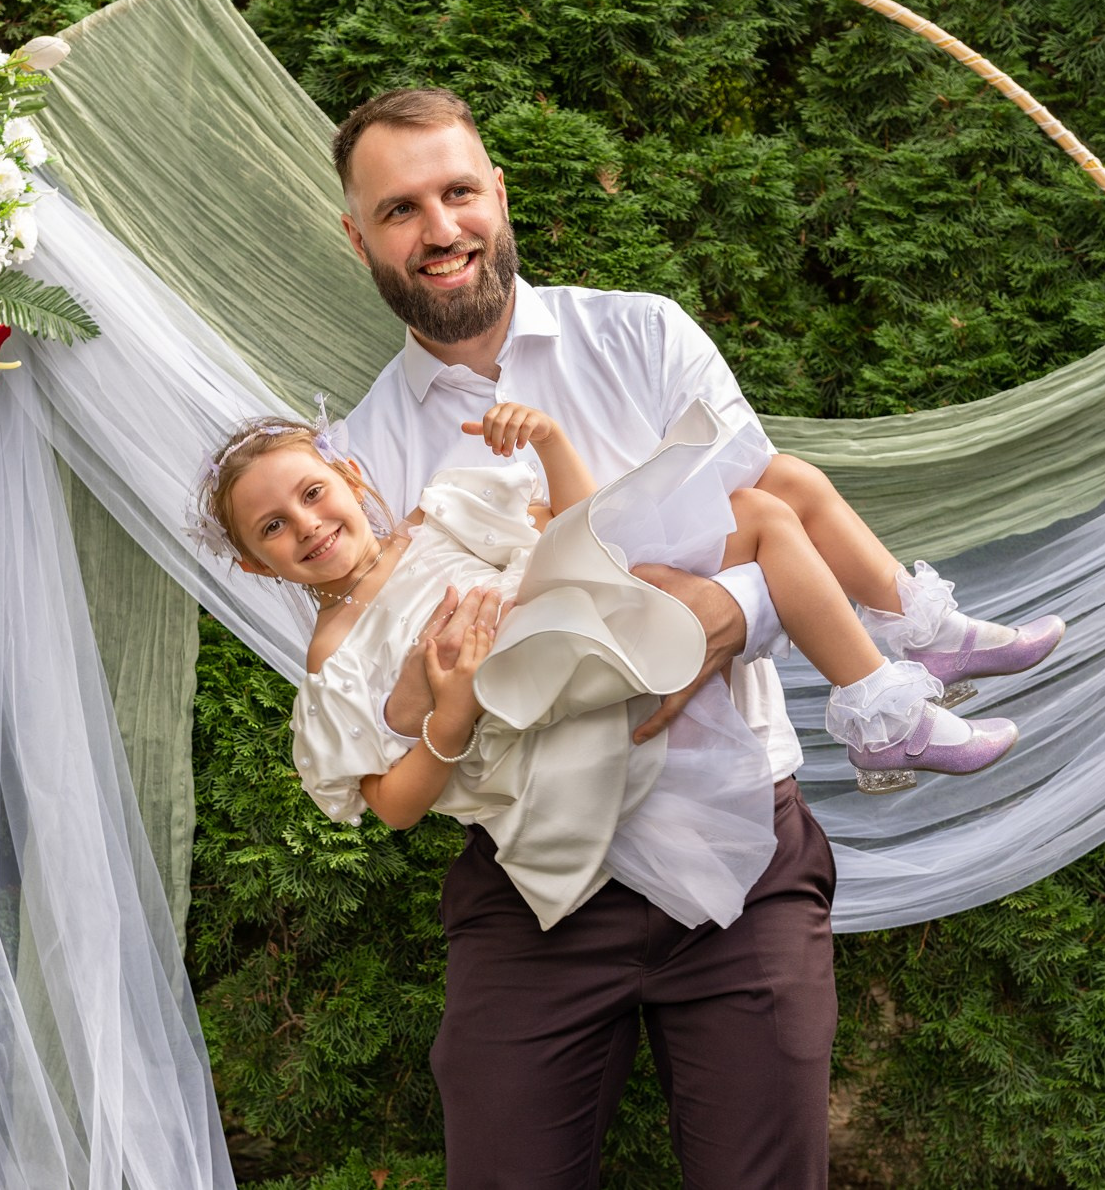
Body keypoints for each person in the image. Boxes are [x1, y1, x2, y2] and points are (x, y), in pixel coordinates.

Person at [333, 86, 1057, 1188]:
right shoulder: (355, 463)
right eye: (398, 210)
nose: (438, 230)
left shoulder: (641, 334)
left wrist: (725, 616)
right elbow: (402, 695)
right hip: (535, 888)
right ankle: (921, 658)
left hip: (743, 847)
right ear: (357, 237)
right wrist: (627, 631)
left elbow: (771, 527)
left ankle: (921, 650)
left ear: (498, 192)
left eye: (457, 191)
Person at [189, 393, 1043, 930]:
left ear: (348, 475)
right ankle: (887, 709)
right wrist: (446, 713)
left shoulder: (436, 519)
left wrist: (553, 440)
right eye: (273, 528)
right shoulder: (334, 658)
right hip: (543, 672)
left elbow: (573, 525)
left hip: (584, 601)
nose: (306, 524)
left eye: (312, 493)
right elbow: (395, 805)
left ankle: (914, 645)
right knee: (765, 513)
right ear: (258, 566)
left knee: (781, 493)